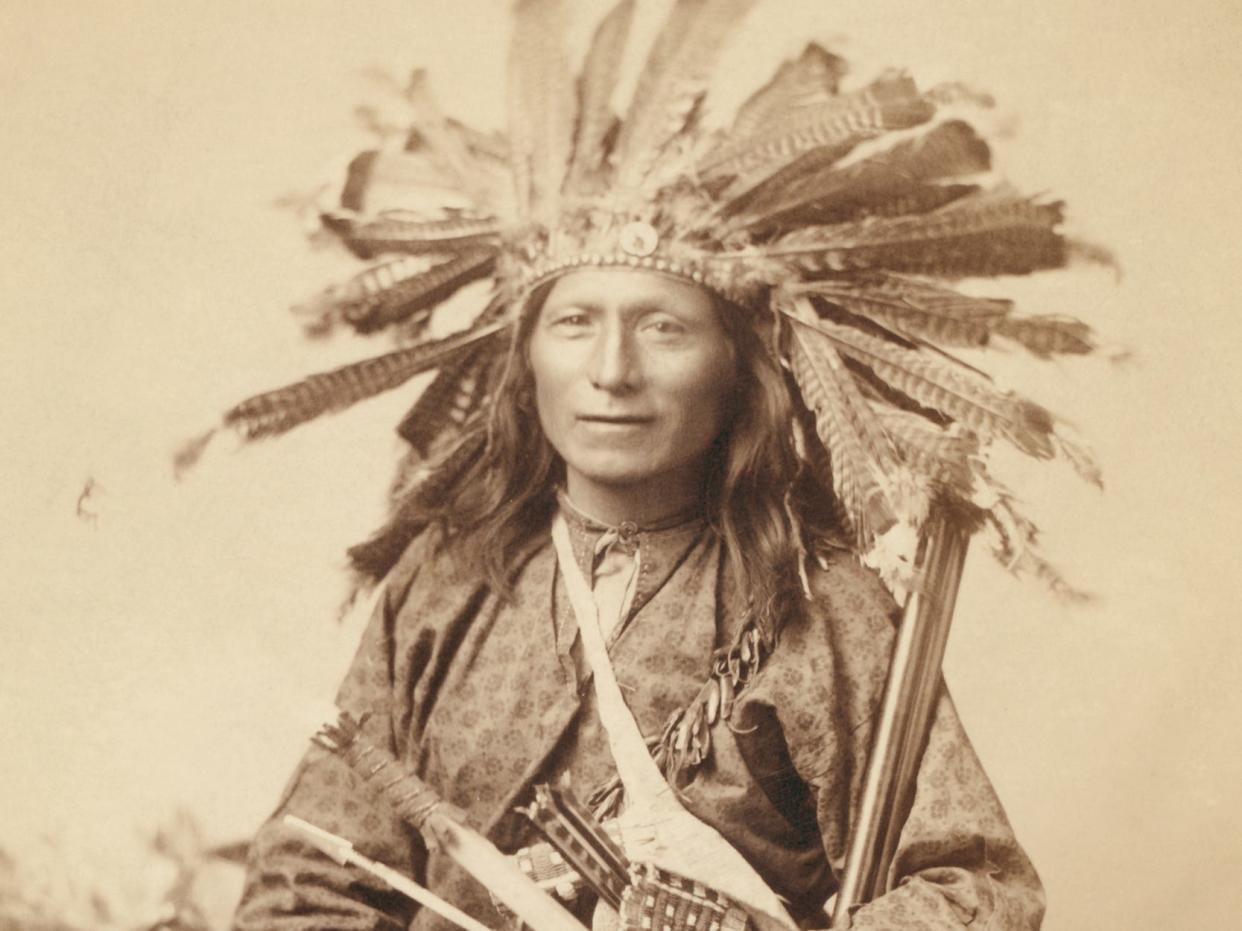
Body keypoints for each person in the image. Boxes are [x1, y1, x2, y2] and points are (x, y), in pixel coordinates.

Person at [215, 2, 1096, 928]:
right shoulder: (440, 587)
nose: (611, 371)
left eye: (663, 327)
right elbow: (307, 878)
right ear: (526, 365)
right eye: (575, 322)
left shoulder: (819, 603)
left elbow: (978, 888)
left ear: (736, 366)